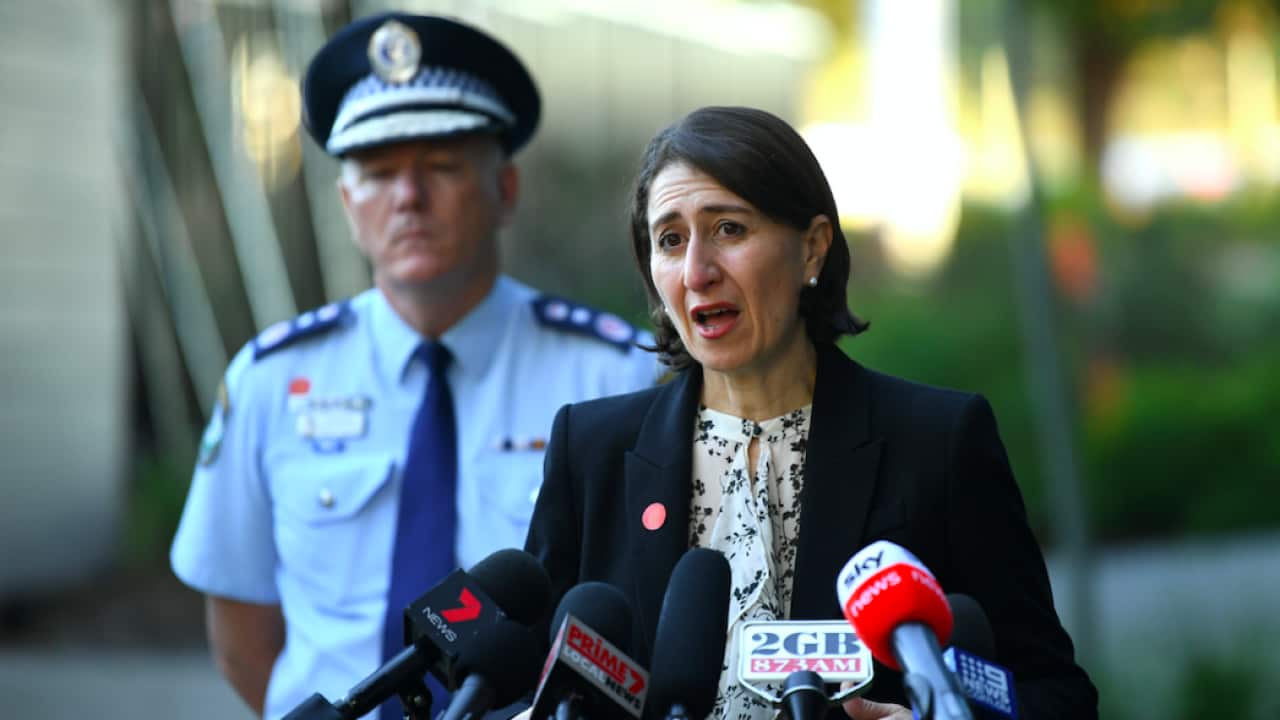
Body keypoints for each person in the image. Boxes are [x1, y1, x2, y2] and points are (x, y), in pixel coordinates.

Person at [524, 106, 1098, 720]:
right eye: (670, 240)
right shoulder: (591, 449)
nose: (697, 271)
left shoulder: (937, 441)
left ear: (812, 249)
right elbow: (520, 679)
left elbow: (1053, 694)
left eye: (729, 230)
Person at [170, 12, 657, 720]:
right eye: (377, 172)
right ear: (346, 204)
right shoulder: (270, 380)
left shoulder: (614, 377)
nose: (408, 196)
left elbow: (634, 619)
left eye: (442, 165)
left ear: (506, 191)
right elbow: (242, 637)